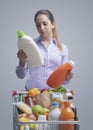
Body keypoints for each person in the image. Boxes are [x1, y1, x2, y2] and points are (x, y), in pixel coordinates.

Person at [16, 9, 73, 91]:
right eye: (38, 25)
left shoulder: (63, 48)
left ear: (52, 24)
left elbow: (64, 81)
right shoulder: (30, 45)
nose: (42, 28)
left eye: (45, 24)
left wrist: (67, 78)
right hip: (32, 93)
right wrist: (22, 62)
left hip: (54, 95)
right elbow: (20, 75)